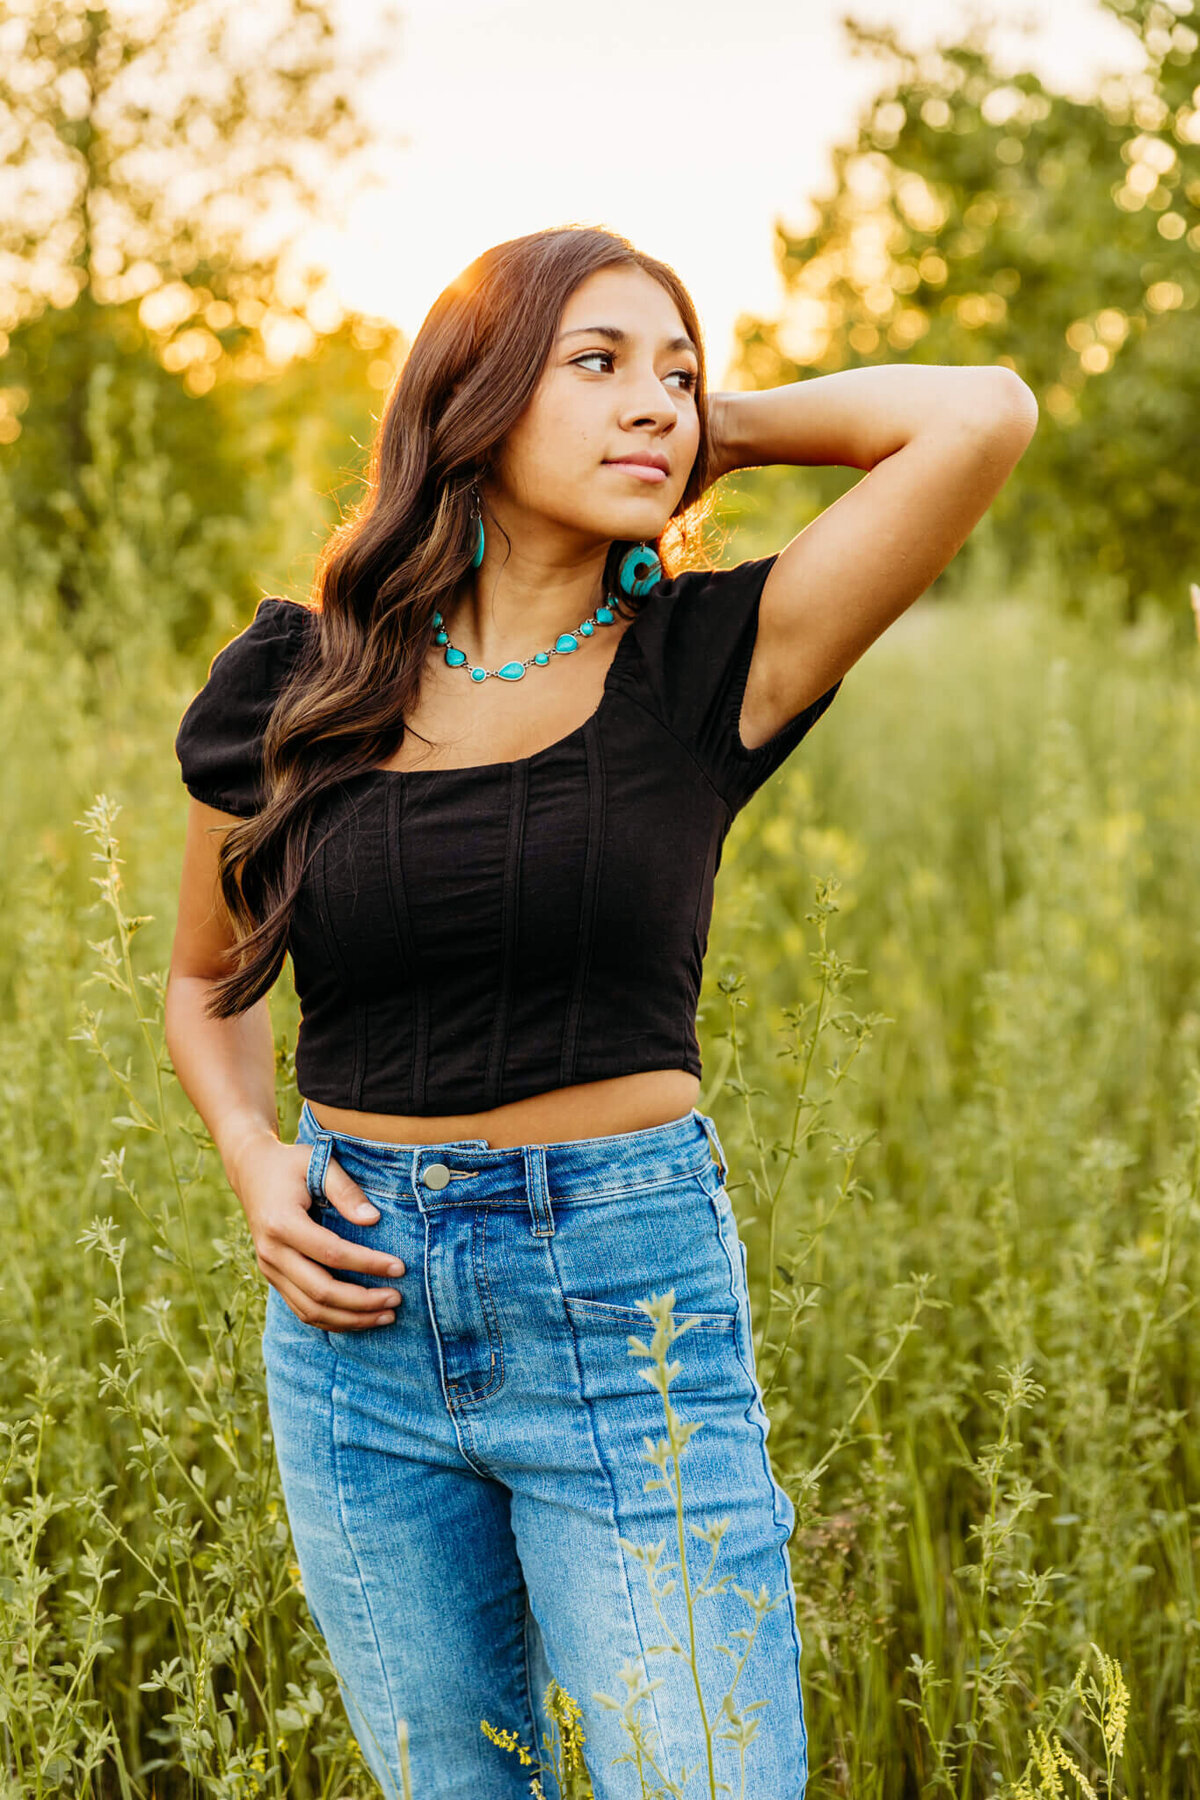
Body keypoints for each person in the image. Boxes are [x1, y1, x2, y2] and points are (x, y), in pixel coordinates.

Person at [166, 225, 1037, 1799]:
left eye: (679, 374)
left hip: (624, 1306)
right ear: (473, 402)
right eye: (599, 364)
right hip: (355, 1320)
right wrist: (247, 1152)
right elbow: (204, 977)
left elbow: (979, 414)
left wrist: (715, 427)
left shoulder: (715, 658)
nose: (657, 403)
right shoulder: (295, 679)